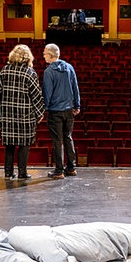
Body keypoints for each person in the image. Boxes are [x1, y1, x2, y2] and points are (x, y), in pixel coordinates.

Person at [0, 44, 45, 180]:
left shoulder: (4, 71)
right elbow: (36, 95)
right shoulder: (29, 73)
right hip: (25, 115)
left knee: (9, 144)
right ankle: (22, 173)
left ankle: (8, 172)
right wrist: (40, 113)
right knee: (24, 143)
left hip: (7, 115)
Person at [41, 43, 81, 179]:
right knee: (68, 138)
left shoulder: (49, 72)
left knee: (57, 140)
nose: (43, 55)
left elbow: (47, 93)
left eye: (45, 53)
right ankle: (71, 168)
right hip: (69, 110)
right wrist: (77, 105)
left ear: (51, 55)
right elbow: (75, 87)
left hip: (55, 111)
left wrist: (43, 109)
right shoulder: (69, 67)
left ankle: (59, 170)